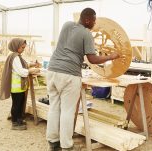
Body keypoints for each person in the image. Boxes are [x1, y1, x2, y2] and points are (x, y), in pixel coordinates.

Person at [46, 8, 119, 151]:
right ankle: (66, 145)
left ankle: (53, 142)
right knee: (68, 110)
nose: (94, 23)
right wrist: (111, 56)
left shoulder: (67, 25)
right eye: (93, 20)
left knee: (54, 107)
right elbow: (92, 58)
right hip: (69, 74)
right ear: (87, 20)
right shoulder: (86, 33)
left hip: (53, 70)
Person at [0, 38, 40, 130]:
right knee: (17, 104)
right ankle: (15, 122)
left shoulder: (16, 56)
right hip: (16, 86)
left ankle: (18, 119)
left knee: (19, 103)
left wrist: (31, 64)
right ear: (16, 46)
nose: (23, 49)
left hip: (19, 86)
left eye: (24, 47)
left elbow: (23, 64)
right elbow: (21, 71)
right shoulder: (15, 57)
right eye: (22, 47)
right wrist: (31, 70)